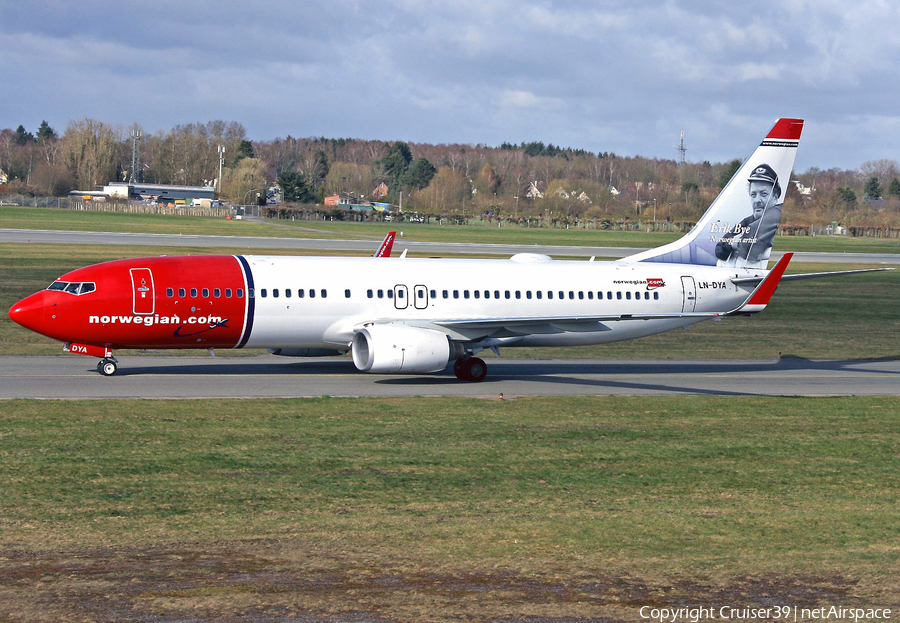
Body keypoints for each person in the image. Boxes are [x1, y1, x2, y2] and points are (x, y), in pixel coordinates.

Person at [715, 164, 783, 268]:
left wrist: (736, 243)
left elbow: (747, 249)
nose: (757, 200)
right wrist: (733, 243)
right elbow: (720, 250)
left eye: (764, 194)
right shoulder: (747, 222)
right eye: (753, 195)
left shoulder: (777, 216)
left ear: (775, 196)